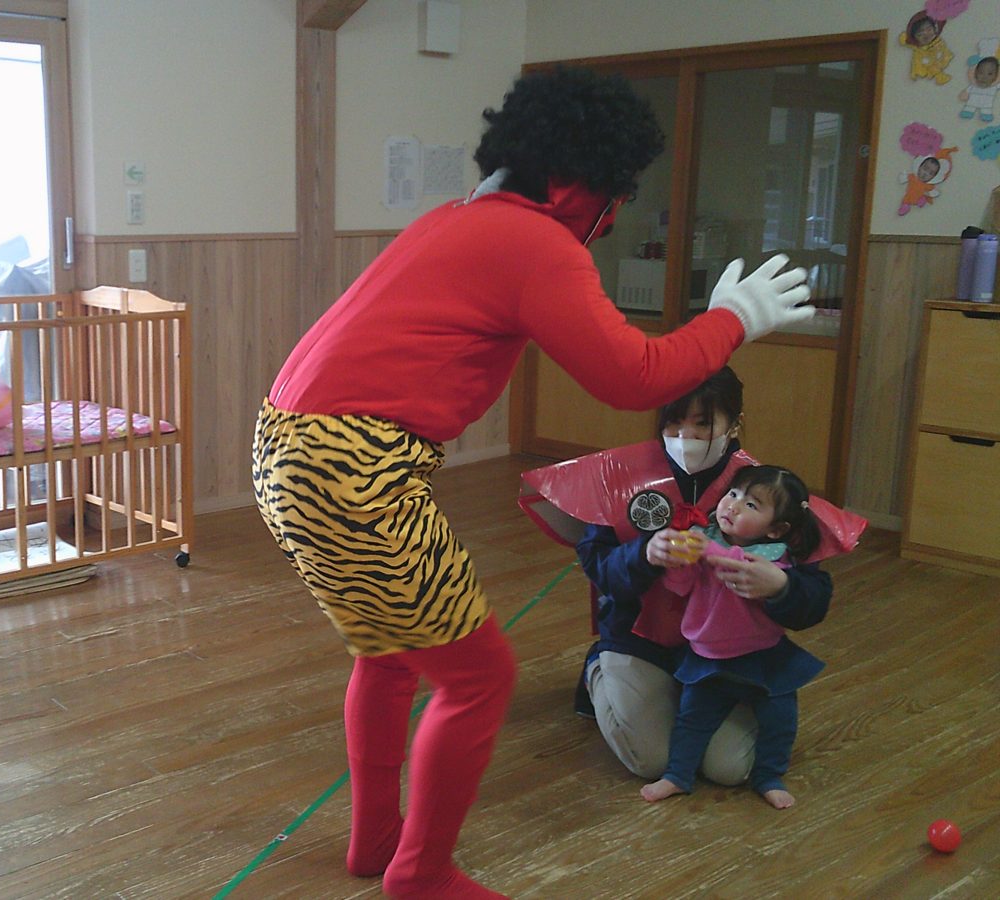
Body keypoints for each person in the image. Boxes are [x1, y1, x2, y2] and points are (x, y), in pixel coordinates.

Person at [252, 66, 813, 900]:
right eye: (614, 196)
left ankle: (378, 843)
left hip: (285, 451)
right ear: (578, 183)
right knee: (478, 677)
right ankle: (421, 875)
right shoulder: (533, 239)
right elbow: (634, 376)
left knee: (389, 652)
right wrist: (733, 320)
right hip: (352, 468)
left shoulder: (453, 218)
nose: (611, 217)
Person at [572, 367, 834, 790]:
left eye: (703, 423)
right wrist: (644, 554)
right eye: (674, 422)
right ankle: (597, 670)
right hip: (641, 640)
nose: (686, 437)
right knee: (652, 760)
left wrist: (782, 587)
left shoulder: (765, 489)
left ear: (734, 424)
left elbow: (815, 596)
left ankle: (682, 699)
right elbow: (597, 564)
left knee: (728, 769)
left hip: (727, 655)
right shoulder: (624, 475)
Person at [640, 464, 824, 810]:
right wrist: (678, 562)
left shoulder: (773, 558)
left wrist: (705, 549)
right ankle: (677, 775)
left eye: (751, 505)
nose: (733, 506)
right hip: (707, 655)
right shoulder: (707, 537)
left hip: (762, 657)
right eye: (733, 494)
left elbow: (735, 563)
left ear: (776, 530)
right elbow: (680, 587)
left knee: (780, 720)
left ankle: (769, 776)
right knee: (692, 718)